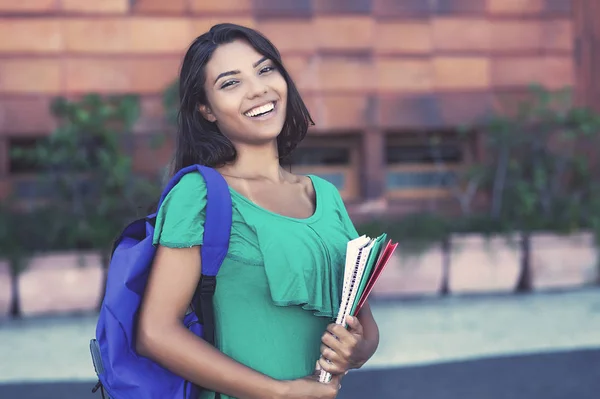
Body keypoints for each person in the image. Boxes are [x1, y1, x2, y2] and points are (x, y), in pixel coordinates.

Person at [135, 23, 380, 399]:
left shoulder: (326, 196)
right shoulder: (198, 194)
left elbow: (363, 326)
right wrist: (279, 392)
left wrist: (356, 349)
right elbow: (155, 333)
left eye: (265, 69)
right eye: (230, 83)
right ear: (206, 109)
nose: (258, 89)